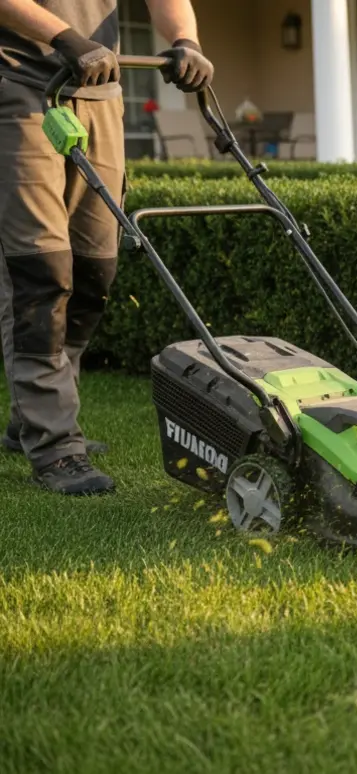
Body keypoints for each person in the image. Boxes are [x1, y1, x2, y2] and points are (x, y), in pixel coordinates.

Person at [0, 0, 213, 495]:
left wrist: (187, 40)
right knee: (41, 272)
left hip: (101, 95)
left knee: (96, 272)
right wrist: (64, 37)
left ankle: (33, 414)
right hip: (21, 90)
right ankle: (54, 443)